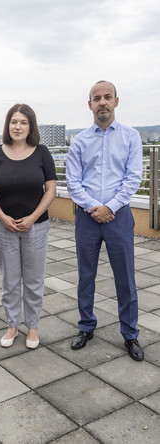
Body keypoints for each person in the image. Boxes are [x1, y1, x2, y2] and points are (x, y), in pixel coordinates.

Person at [66, 80, 144, 361]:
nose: (102, 102)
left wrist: (109, 207)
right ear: (90, 104)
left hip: (119, 217)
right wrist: (94, 208)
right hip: (87, 219)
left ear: (116, 101)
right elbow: (73, 183)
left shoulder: (131, 137)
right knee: (86, 277)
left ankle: (130, 334)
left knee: (125, 279)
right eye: (96, 98)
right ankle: (86, 327)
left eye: (107, 97)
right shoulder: (79, 140)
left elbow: (133, 178)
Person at [0, 104, 57, 349]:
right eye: (14, 122)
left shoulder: (41, 152)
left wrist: (33, 217)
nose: (18, 126)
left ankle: (32, 328)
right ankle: (12, 325)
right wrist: (2, 216)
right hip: (4, 226)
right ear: (8, 125)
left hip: (35, 226)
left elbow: (51, 190)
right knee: (10, 280)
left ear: (31, 126)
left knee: (34, 280)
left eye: (23, 122)